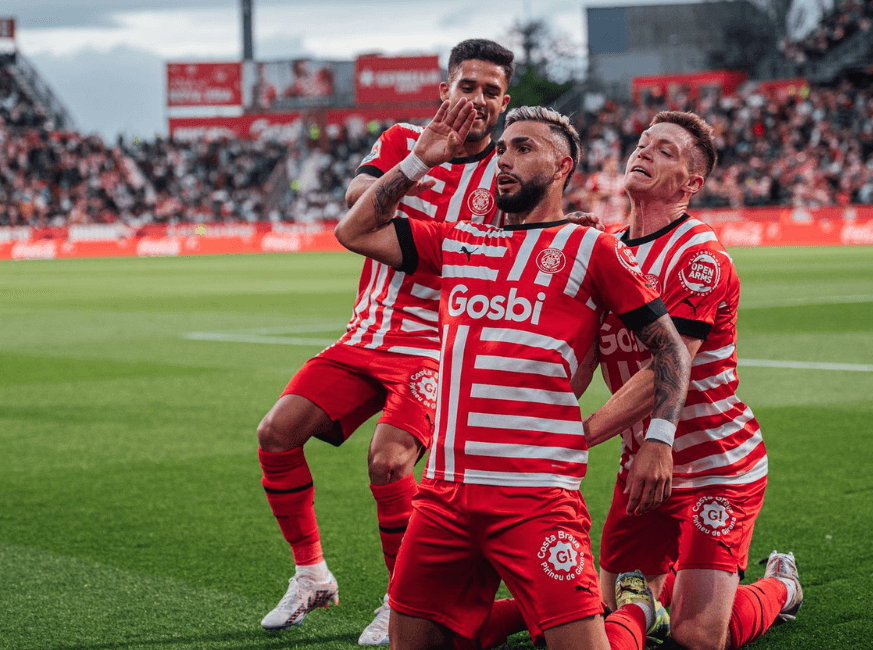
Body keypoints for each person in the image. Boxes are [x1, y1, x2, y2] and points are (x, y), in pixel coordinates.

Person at [335, 101, 693, 650]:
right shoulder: (458, 241)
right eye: (501, 148)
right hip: (444, 498)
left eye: (523, 148)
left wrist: (660, 441)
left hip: (536, 496)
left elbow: (669, 347)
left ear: (562, 167)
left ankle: (636, 615)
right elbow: (353, 231)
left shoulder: (590, 248)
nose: (503, 158)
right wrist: (418, 160)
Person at [255, 39, 514, 643]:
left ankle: (402, 605)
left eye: (490, 91)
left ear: (505, 103)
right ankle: (311, 576)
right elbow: (354, 206)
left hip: (436, 346)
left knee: (390, 460)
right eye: (467, 86)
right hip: (367, 332)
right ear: (444, 89)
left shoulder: (507, 166)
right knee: (276, 433)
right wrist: (423, 162)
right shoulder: (402, 139)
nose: (477, 99)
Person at [576, 111, 803, 650]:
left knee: (698, 638)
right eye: (643, 143)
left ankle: (780, 587)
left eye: (666, 151)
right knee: (608, 615)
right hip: (643, 463)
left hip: (712, 464)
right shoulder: (605, 248)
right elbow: (581, 351)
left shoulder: (697, 255)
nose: (644, 152)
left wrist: (580, 435)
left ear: (691, 185)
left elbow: (666, 364)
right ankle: (671, 589)